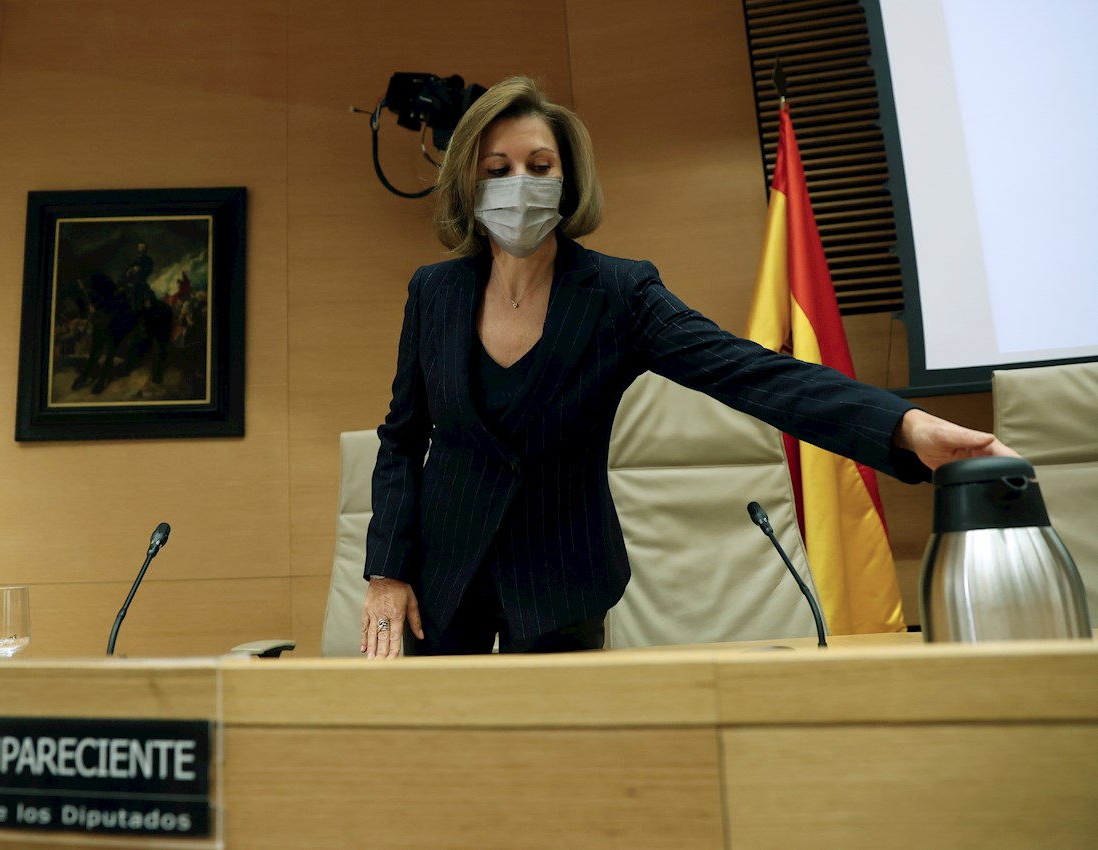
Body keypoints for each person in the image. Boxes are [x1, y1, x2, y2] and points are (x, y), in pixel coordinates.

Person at [360, 76, 1014, 659]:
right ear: (467, 183)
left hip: (562, 579)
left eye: (539, 165)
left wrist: (905, 427)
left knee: (560, 773)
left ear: (568, 179)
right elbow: (402, 436)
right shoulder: (433, 292)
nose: (518, 186)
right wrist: (386, 570)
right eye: (496, 169)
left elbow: (751, 373)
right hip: (436, 580)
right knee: (438, 766)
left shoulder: (619, 295)